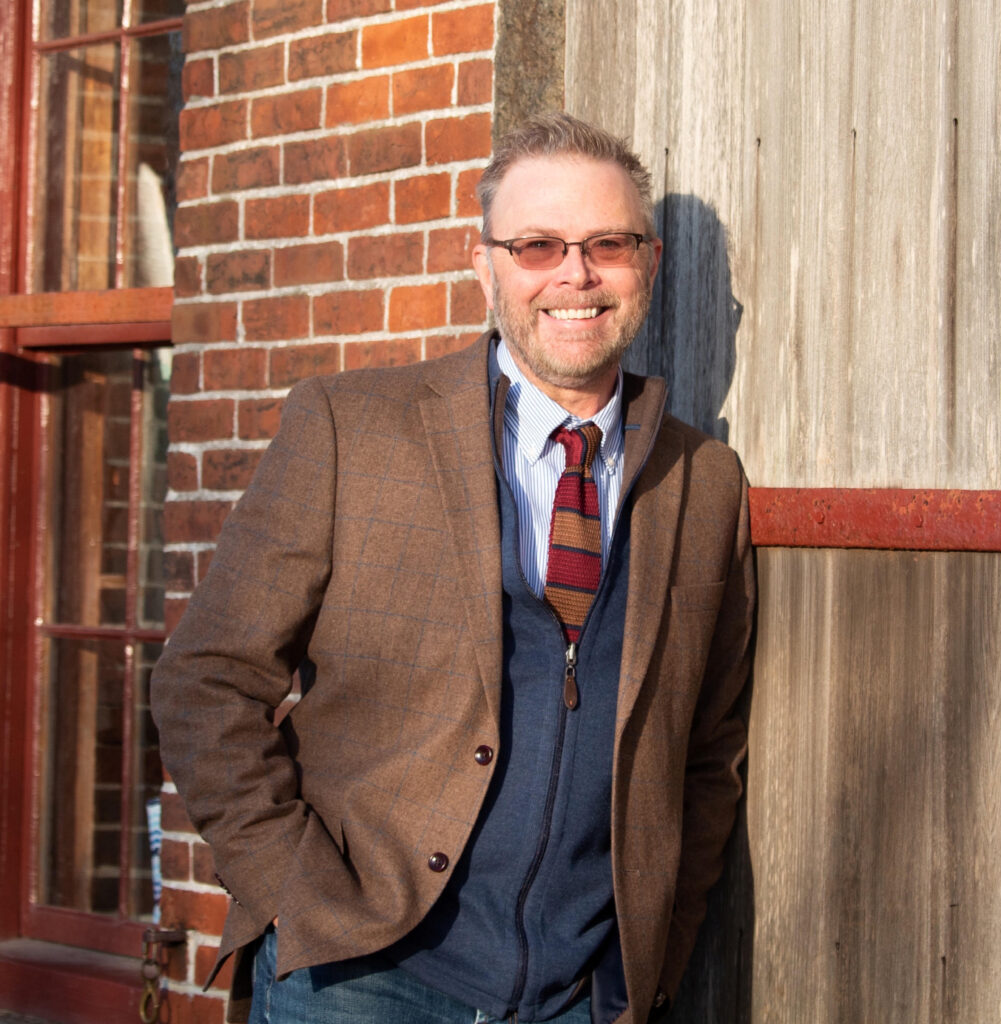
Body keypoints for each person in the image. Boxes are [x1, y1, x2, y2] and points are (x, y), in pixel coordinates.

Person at [152, 111, 755, 1024]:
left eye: (608, 244)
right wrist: (293, 887)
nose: (574, 275)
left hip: (585, 996)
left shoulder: (704, 482)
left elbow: (708, 751)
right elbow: (206, 680)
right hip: (361, 978)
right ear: (486, 265)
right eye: (537, 245)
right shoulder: (351, 429)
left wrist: (654, 960)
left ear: (651, 262)